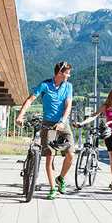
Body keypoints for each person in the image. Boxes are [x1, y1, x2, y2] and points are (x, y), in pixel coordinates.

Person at [16, 61, 74, 200]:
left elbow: (68, 105)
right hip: (48, 123)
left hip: (63, 123)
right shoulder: (45, 85)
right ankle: (53, 188)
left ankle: (61, 178)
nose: (69, 75)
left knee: (71, 154)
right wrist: (20, 115)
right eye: (67, 73)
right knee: (50, 156)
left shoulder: (68, 86)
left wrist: (62, 121)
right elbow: (30, 100)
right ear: (60, 73)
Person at [74, 88, 112, 190]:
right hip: (108, 133)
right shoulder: (105, 106)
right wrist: (81, 123)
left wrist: (109, 122)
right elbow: (94, 116)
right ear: (110, 96)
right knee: (111, 158)